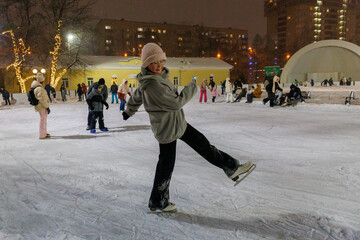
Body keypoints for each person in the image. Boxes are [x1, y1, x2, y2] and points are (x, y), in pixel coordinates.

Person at [122, 43, 255, 212]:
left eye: (161, 61)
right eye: (154, 63)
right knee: (168, 164)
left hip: (176, 124)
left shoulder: (151, 80)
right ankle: (158, 200)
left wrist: (129, 111)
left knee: (200, 146)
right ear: (146, 64)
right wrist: (192, 87)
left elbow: (136, 97)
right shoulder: (153, 84)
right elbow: (176, 103)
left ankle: (231, 167)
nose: (158, 66)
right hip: (168, 128)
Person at [31, 73, 51, 139]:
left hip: (40, 106)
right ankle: (42, 135)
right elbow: (42, 99)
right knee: (43, 120)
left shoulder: (36, 87)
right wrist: (47, 107)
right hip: (42, 106)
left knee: (43, 120)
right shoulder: (40, 89)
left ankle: (44, 133)